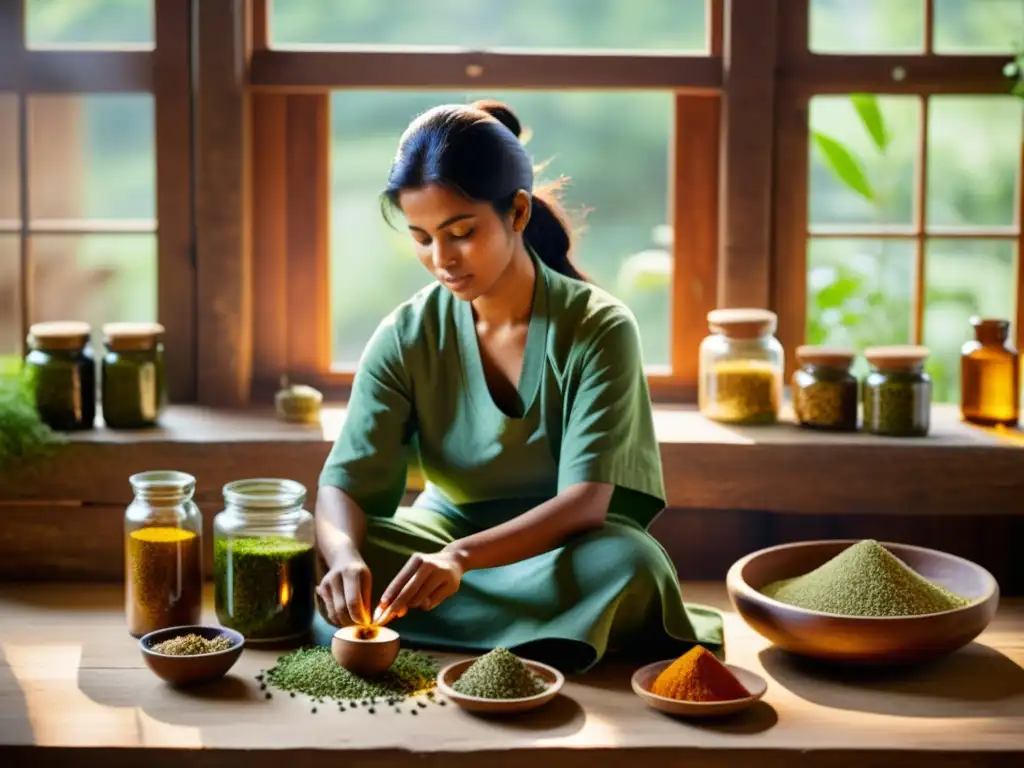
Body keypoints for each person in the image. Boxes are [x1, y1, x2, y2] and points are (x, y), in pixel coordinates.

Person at [313, 99, 723, 672]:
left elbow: (585, 504)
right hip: (442, 535)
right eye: (422, 237)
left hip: (565, 550)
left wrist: (461, 560)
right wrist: (343, 557)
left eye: (461, 233)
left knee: (632, 567)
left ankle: (459, 629)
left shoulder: (599, 327)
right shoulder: (405, 334)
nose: (442, 260)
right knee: (349, 564)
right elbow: (344, 486)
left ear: (519, 213)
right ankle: (545, 636)